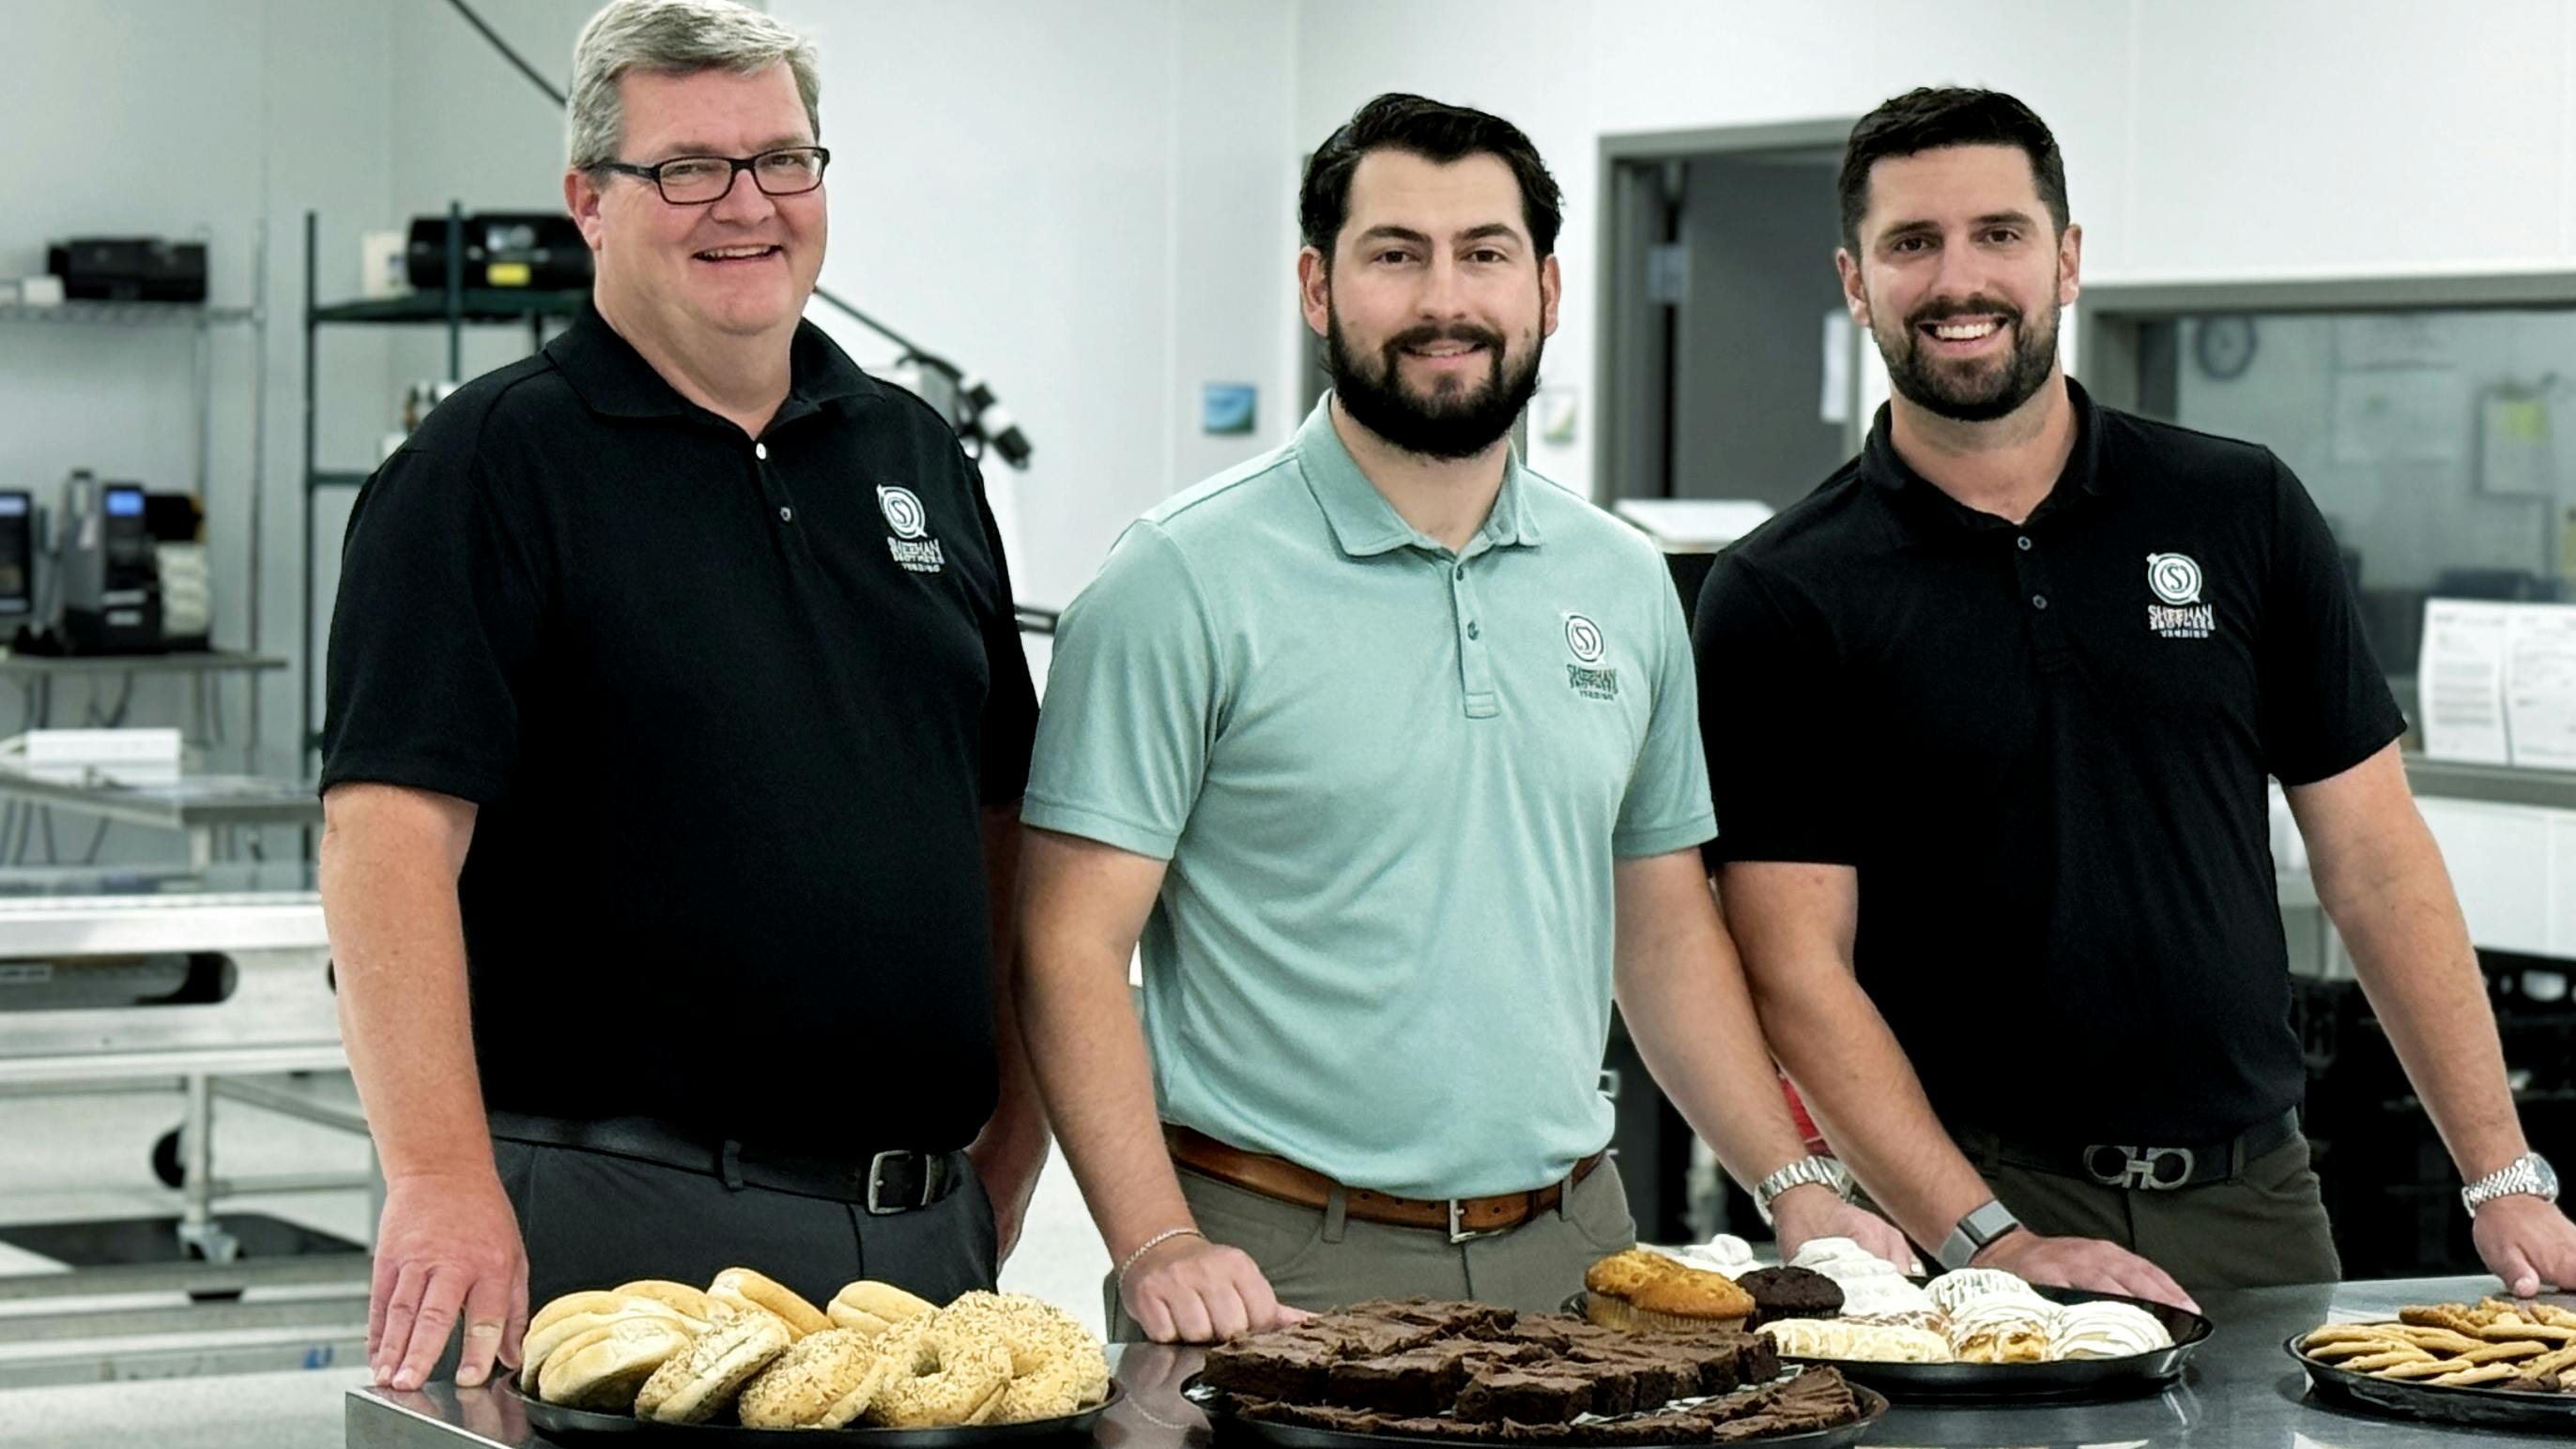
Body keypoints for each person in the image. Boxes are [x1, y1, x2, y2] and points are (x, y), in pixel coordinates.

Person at [1015, 93, 1909, 1346]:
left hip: (1581, 1245)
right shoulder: (1181, 579)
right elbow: (1068, 946)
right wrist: (1157, 1239)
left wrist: (1793, 1181)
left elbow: (1659, 933)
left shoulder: (1621, 579)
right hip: (1275, 1267)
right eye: (1397, 254)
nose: (1446, 298)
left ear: (1546, 288)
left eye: (1484, 253)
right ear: (1319, 288)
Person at [1697, 85, 2576, 1302]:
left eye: (2000, 234)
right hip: (1979, 1198)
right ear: (1856, 281)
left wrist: (2503, 1177)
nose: (1961, 280)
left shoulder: (2238, 507)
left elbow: (2375, 859)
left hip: (2260, 1198)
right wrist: (1989, 1241)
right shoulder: (1784, 593)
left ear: (2066, 260)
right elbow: (1797, 967)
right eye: (1913, 243)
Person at [318, 0, 1044, 1395]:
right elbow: (385, 841)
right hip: (614, 1227)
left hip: (918, 1237)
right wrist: (439, 1174)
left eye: (783, 160)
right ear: (590, 199)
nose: (747, 206)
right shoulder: (489, 466)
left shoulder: (912, 454)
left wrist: (1011, 1142)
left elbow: (999, 812)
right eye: (689, 168)